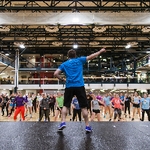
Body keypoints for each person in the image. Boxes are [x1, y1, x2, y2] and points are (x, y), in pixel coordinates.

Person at [54, 47, 106, 132]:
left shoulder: (64, 64)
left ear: (68, 56)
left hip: (69, 86)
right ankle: (87, 126)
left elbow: (55, 73)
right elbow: (91, 56)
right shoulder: (79, 60)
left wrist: (62, 79)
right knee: (83, 108)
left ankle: (63, 122)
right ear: (75, 55)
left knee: (65, 106)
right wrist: (100, 51)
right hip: (79, 86)